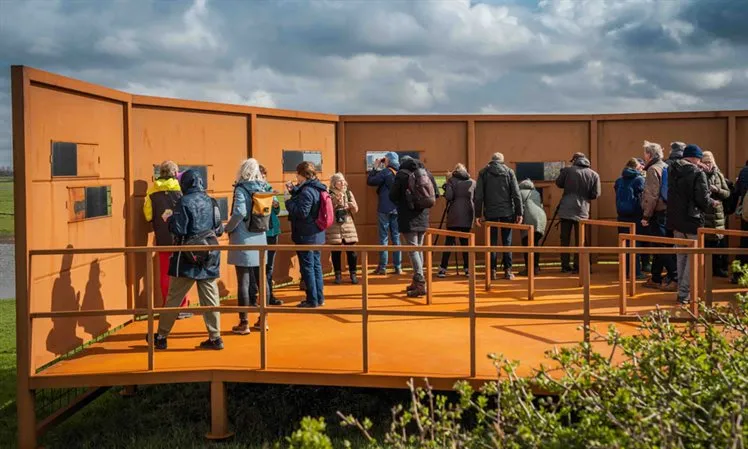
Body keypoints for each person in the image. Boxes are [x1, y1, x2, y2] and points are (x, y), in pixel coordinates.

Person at [149, 169, 225, 350]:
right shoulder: (211, 201)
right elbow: (219, 229)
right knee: (210, 298)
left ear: (185, 184)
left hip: (186, 257)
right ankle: (215, 338)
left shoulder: (183, 202)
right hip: (209, 255)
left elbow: (179, 230)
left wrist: (168, 220)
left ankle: (161, 337)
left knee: (174, 298)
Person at [226, 159, 278, 336]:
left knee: (244, 281)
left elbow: (239, 212)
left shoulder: (241, 188)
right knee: (262, 279)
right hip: (260, 236)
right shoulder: (265, 187)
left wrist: (228, 227)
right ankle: (264, 319)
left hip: (243, 237)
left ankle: (244, 322)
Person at [667, 144, 718, 305]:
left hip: (676, 220)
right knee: (692, 258)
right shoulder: (697, 173)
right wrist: (712, 202)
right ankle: (684, 293)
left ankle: (681, 291)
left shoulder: (672, 170)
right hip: (692, 220)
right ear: (696, 157)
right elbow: (702, 198)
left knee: (681, 256)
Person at [143, 161, 191, 319]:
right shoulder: (180, 189)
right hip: (180, 238)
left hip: (162, 238)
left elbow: (148, 216)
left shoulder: (152, 191)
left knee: (165, 274)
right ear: (175, 173)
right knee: (181, 273)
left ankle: (168, 307)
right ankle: (182, 306)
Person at [389, 156, 439, 297]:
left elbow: (392, 196)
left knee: (413, 250)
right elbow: (436, 194)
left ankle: (421, 282)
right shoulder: (426, 172)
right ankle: (416, 281)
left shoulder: (402, 175)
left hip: (407, 216)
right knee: (419, 249)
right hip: (423, 216)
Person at [474, 152, 523, 280]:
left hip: (490, 213)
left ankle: (492, 272)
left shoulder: (483, 173)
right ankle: (508, 271)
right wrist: (519, 213)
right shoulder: (509, 172)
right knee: (507, 242)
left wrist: (478, 214)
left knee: (492, 243)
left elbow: (478, 196)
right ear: (502, 161)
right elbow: (516, 194)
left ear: (492, 160)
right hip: (507, 212)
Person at [286, 161, 327, 308]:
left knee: (308, 267)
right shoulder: (318, 187)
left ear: (302, 175)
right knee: (316, 266)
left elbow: (302, 212)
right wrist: (294, 191)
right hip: (317, 233)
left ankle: (312, 300)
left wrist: (288, 202)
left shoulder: (307, 191)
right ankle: (319, 297)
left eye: (297, 175)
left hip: (306, 234)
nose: (296, 178)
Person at [555, 152, 601, 274]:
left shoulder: (567, 171)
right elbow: (595, 194)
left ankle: (565, 266)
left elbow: (558, 184)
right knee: (581, 239)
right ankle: (580, 265)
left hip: (566, 209)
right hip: (583, 210)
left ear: (575, 160)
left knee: (565, 238)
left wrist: (562, 173)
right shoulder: (594, 174)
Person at [640, 141, 677, 291]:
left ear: (649, 154)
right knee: (663, 245)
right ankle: (656, 277)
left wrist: (646, 216)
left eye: (645, 153)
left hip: (658, 213)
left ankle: (675, 277)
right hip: (668, 211)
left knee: (661, 246)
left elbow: (652, 194)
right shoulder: (665, 166)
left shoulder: (652, 170)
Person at [437, 164, 475, 278]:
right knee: (466, 244)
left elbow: (449, 196)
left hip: (454, 215)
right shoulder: (473, 182)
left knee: (449, 242)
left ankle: (443, 268)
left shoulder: (451, 181)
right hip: (468, 214)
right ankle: (468, 269)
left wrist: (447, 186)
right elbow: (476, 197)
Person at [367, 152, 403, 275]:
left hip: (384, 209)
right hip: (397, 209)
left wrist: (375, 167)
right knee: (396, 238)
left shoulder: (385, 172)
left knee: (384, 238)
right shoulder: (400, 173)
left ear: (388, 161)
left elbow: (371, 181)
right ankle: (398, 267)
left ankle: (382, 267)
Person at [614, 158, 646, 280]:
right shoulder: (639, 180)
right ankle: (635, 272)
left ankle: (624, 270)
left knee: (624, 245)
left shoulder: (619, 181)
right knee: (634, 245)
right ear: (637, 168)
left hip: (622, 215)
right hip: (636, 216)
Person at [326, 172, 360, 285]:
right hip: (334, 226)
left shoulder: (349, 193)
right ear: (334, 183)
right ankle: (338, 275)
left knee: (352, 251)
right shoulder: (328, 194)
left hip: (348, 224)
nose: (342, 183)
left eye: (343, 181)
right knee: (336, 252)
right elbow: (327, 209)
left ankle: (353, 274)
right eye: (339, 181)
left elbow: (356, 210)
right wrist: (336, 202)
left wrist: (351, 206)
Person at [701, 151, 730, 278]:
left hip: (718, 215)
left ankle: (717, 268)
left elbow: (727, 193)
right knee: (705, 244)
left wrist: (717, 190)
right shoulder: (699, 174)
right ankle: (704, 270)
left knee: (717, 243)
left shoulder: (718, 174)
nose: (708, 164)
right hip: (704, 213)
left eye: (710, 161)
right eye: (705, 162)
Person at [259, 164, 283, 305]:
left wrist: (276, 204)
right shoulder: (254, 191)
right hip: (261, 231)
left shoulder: (270, 189)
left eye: (264, 176)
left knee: (269, 267)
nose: (263, 179)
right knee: (258, 266)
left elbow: (279, 210)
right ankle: (258, 295)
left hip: (273, 231)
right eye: (260, 176)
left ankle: (269, 295)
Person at [517, 179, 546, 276]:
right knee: (535, 244)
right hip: (541, 218)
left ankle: (529, 269)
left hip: (529, 220)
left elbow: (517, 206)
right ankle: (536, 267)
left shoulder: (519, 192)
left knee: (527, 245)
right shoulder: (536, 192)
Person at [733, 160, 748, 283]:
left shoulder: (743, 171)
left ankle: (737, 274)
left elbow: (737, 191)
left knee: (744, 244)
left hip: (745, 213)